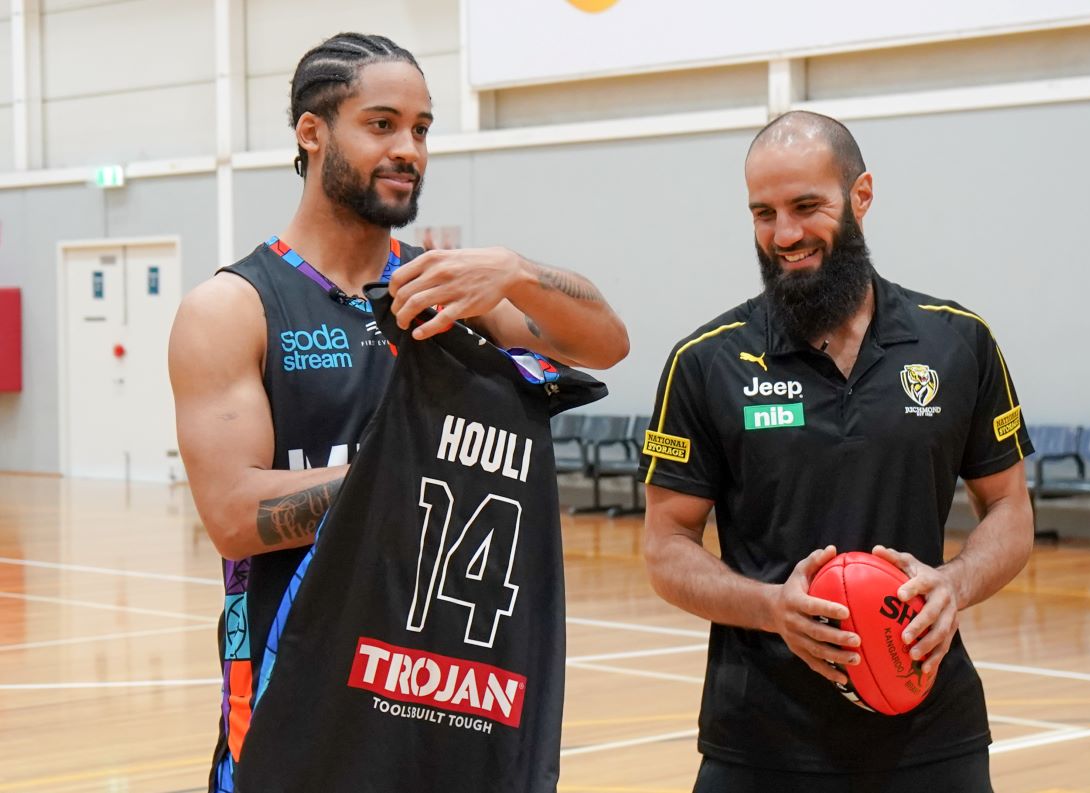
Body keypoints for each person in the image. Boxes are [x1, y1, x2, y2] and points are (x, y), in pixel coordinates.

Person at [168, 32, 628, 793]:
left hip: (431, 687)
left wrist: (516, 271)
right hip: (299, 692)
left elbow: (606, 343)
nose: (408, 148)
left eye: (421, 128)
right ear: (312, 133)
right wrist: (403, 471)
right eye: (381, 124)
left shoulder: (444, 291)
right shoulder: (233, 307)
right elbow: (232, 512)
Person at [639, 110, 1033, 792]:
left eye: (806, 206)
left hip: (931, 731)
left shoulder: (957, 341)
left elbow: (1009, 507)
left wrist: (954, 584)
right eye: (762, 213)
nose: (784, 235)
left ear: (861, 196)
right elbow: (665, 545)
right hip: (760, 739)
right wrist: (771, 608)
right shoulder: (706, 361)